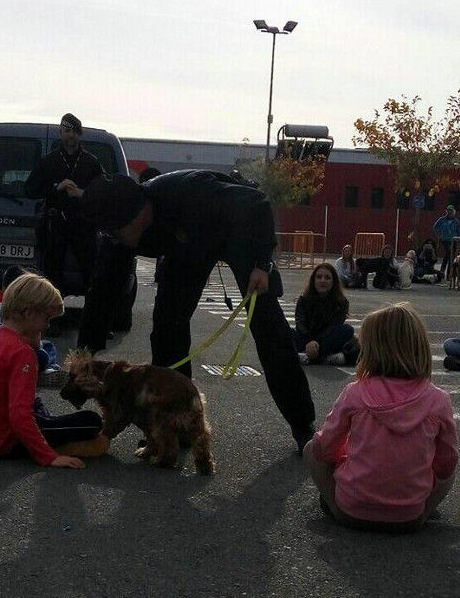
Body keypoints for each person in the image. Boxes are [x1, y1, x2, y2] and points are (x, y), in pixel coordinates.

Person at [74, 170, 317, 453]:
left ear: (135, 216)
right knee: (167, 327)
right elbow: (102, 291)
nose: (112, 237)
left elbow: (258, 203)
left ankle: (303, 426)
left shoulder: (190, 193)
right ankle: (174, 423)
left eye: (115, 231)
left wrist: (262, 264)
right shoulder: (119, 235)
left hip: (238, 231)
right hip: (186, 248)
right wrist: (85, 355)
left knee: (269, 328)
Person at [303, 302, 457, 533]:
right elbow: (446, 465)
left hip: (353, 509)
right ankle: (423, 513)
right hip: (408, 516)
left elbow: (324, 448)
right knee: (450, 470)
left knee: (310, 449)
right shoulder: (438, 400)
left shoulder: (356, 392)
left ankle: (335, 508)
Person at [0, 273, 109, 467]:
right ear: (29, 313)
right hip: (3, 441)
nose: (47, 325)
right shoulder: (22, 353)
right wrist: (49, 457)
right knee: (91, 421)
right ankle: (53, 447)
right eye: (47, 318)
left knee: (37, 404)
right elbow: (19, 414)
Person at [23, 113, 103, 333]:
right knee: (52, 275)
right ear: (61, 133)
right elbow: (30, 189)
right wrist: (55, 188)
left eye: (74, 131)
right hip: (56, 224)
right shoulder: (49, 161)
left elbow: (103, 192)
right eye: (67, 131)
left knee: (92, 275)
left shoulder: (91, 162)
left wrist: (81, 193)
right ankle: (52, 321)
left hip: (83, 225)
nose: (70, 136)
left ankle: (95, 323)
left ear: (80, 134)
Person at [293, 264, 354, 366]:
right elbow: (300, 323)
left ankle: (307, 356)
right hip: (305, 339)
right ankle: (322, 358)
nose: (322, 280)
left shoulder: (341, 303)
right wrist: (309, 341)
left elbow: (334, 326)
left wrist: (316, 343)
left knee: (347, 329)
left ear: (333, 281)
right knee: (286, 331)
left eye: (327, 278)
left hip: (326, 340)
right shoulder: (303, 299)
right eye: (319, 277)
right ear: (313, 280)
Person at [433, 205, 460, 280]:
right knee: (449, 254)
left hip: (454, 240)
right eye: (448, 210)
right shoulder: (442, 219)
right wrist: (439, 235)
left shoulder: (456, 221)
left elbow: (458, 231)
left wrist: (458, 239)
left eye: (451, 210)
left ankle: (446, 274)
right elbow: (435, 227)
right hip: (445, 240)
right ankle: (446, 274)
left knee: (448, 256)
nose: (449, 212)